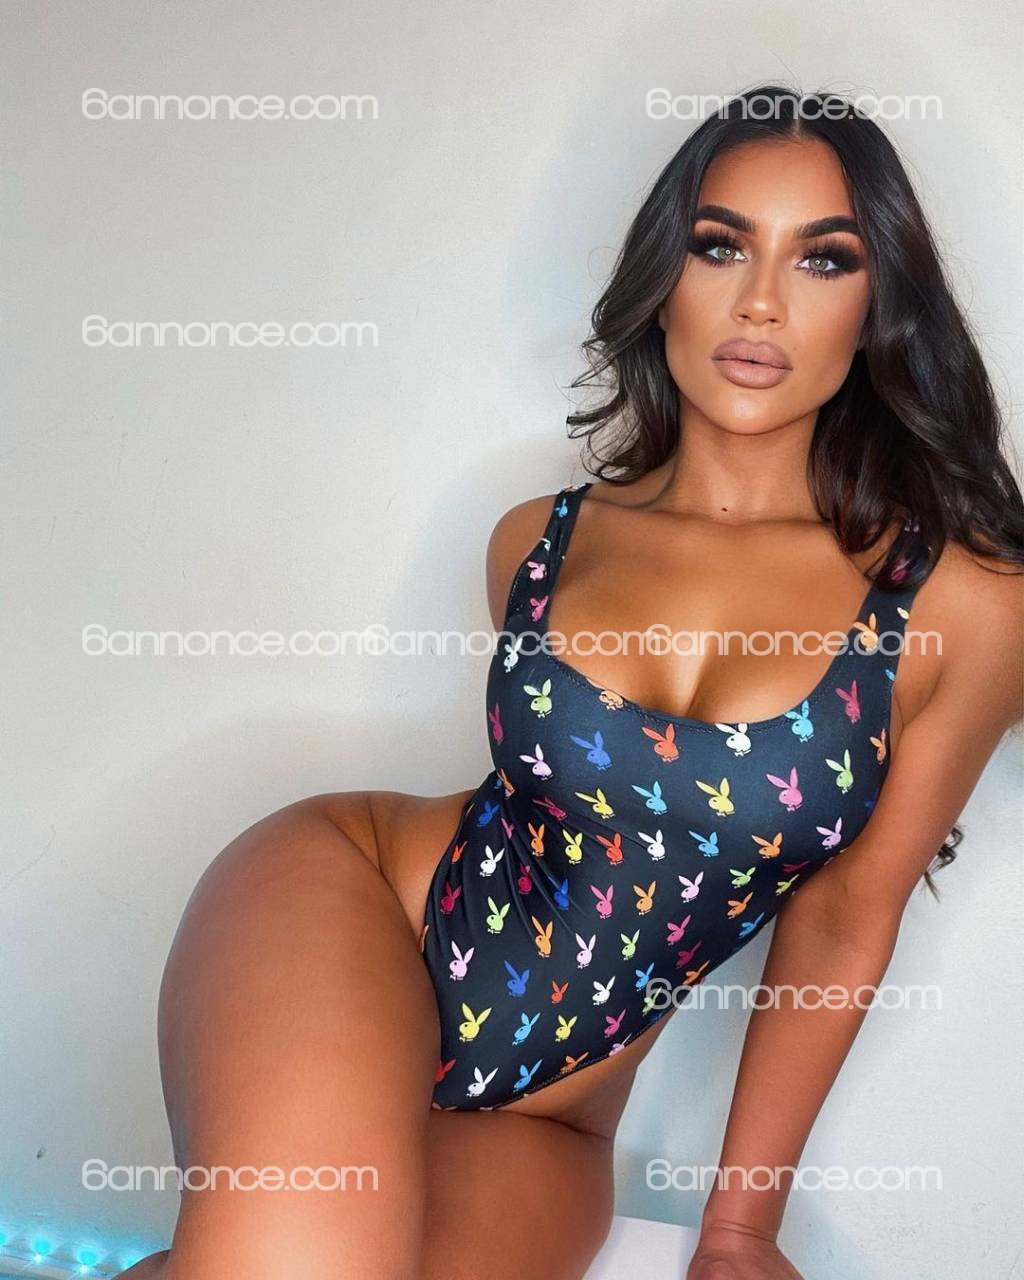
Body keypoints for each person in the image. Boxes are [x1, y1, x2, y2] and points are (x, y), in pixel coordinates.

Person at [120, 87, 1023, 1280]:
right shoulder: (535, 542)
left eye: (822, 259)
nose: (759, 300)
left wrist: (739, 1228)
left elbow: (848, 913)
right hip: (359, 905)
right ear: (665, 277)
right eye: (719, 245)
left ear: (878, 305)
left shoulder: (960, 600)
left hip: (548, 1119)